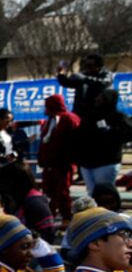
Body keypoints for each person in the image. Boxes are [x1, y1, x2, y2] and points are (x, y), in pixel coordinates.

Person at [73, 88, 132, 194]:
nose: (97, 99)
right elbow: (79, 136)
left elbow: (128, 134)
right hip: (87, 163)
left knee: (105, 194)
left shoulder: (118, 117)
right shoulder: (90, 116)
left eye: (101, 97)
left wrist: (110, 131)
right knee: (91, 193)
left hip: (106, 163)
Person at [38, 94, 80, 222]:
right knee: (48, 192)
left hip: (63, 164)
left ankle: (66, 218)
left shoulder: (69, 119)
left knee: (62, 192)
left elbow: (76, 141)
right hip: (48, 165)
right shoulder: (49, 121)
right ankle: (49, 218)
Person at [57, 53, 113, 121]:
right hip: (81, 112)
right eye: (85, 65)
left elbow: (103, 83)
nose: (87, 68)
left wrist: (85, 79)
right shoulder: (84, 75)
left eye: (90, 65)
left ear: (98, 66)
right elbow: (68, 83)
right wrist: (61, 74)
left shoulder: (106, 74)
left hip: (97, 112)